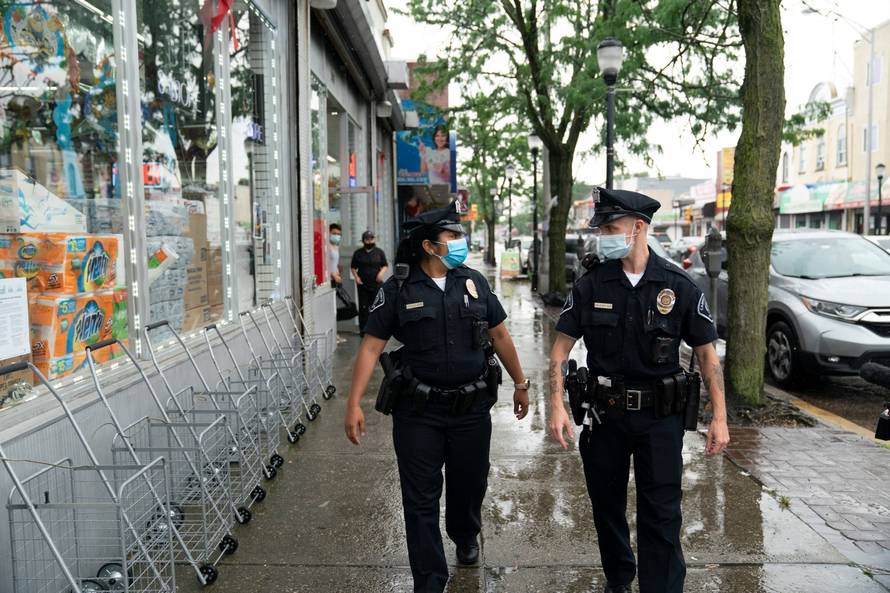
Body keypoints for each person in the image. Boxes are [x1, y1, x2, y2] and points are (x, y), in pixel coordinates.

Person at [548, 188, 730, 593]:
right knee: (606, 508)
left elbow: (707, 355)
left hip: (660, 419)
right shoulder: (592, 285)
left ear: (638, 228)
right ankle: (618, 579)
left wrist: (718, 417)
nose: (603, 236)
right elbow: (559, 351)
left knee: (662, 513)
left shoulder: (678, 285)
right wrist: (556, 405)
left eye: (611, 228)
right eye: (602, 229)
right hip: (604, 416)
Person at [344, 200, 530, 593]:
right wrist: (353, 403)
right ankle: (429, 581)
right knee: (419, 500)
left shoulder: (475, 282)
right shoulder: (397, 288)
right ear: (429, 245)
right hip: (418, 413)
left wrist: (520, 382)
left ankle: (465, 534)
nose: (460, 242)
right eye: (453, 236)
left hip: (471, 410)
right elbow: (371, 346)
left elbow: (499, 336)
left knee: (469, 484)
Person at [351, 230, 388, 334]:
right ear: (363, 241)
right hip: (362, 284)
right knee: (363, 307)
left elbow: (385, 265)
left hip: (376, 284)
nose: (369, 241)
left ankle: (376, 329)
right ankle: (363, 330)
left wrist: (381, 273)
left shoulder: (379, 252)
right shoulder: (358, 253)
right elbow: (353, 267)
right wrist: (356, 277)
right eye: (367, 239)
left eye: (371, 238)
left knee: (376, 306)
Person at [328, 223, 342, 287]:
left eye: (338, 234)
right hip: (328, 279)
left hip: (335, 278)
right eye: (334, 233)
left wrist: (337, 272)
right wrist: (333, 274)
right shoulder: (326, 246)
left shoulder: (336, 247)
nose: (336, 236)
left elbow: (334, 263)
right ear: (329, 233)